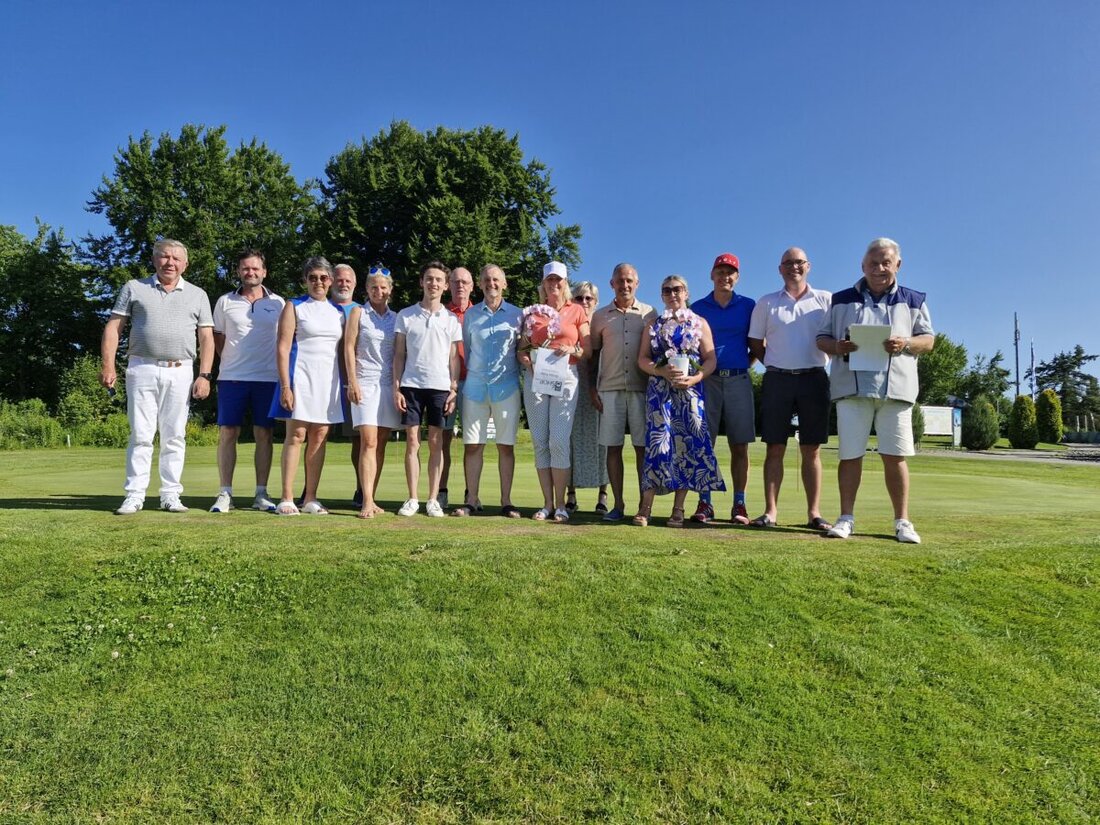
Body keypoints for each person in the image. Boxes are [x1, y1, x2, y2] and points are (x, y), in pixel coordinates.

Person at [816, 238, 935, 543]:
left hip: (896, 390)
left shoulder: (913, 299)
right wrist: (838, 346)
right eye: (873, 263)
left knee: (895, 456)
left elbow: (928, 340)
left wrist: (905, 343)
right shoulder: (841, 299)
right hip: (852, 389)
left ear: (898, 264)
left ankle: (903, 522)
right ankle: (845, 518)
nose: (879, 268)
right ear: (863, 266)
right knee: (850, 455)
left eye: (886, 262)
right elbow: (822, 339)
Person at [101, 239, 214, 514]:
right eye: (164, 257)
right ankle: (135, 495)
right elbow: (113, 329)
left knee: (174, 436)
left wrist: (205, 375)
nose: (170, 263)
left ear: (185, 264)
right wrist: (108, 366)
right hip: (142, 368)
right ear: (154, 260)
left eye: (176, 259)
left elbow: (207, 338)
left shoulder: (198, 294)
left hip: (181, 370)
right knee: (141, 434)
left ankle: (170, 495)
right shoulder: (134, 287)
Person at [746, 247, 833, 530]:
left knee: (812, 449)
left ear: (808, 266)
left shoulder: (826, 300)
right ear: (780, 269)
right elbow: (756, 343)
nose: (793, 267)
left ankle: (814, 514)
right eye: (788, 263)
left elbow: (835, 337)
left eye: (799, 262)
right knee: (774, 447)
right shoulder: (767, 303)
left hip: (814, 378)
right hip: (777, 379)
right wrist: (774, 361)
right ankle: (771, 512)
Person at [634, 275, 724, 526]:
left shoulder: (699, 323)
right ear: (662, 295)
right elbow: (642, 359)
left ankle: (678, 509)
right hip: (659, 393)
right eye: (667, 290)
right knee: (657, 447)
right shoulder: (652, 325)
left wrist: (695, 378)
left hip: (690, 393)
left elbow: (710, 359)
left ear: (686, 292)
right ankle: (645, 507)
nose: (672, 294)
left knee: (686, 448)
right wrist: (660, 371)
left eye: (677, 289)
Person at [209, 249, 285, 513]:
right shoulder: (224, 302)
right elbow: (217, 338)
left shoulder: (278, 303)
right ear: (239, 271)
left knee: (264, 434)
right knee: (228, 432)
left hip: (268, 378)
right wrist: (231, 361)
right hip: (232, 378)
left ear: (264, 272)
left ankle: (261, 494)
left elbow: (285, 340)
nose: (250, 272)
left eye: (255, 268)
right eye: (245, 268)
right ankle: (225, 493)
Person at [271, 257, 345, 515]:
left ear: (331, 281)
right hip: (300, 378)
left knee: (319, 436)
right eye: (313, 277)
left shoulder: (338, 312)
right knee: (296, 435)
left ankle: (311, 497)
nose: (318, 282)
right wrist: (285, 386)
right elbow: (282, 348)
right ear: (305, 280)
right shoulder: (294, 306)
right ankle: (287, 497)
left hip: (328, 382)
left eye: (323, 278)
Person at [519, 261, 590, 523]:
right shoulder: (533, 314)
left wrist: (573, 350)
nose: (554, 284)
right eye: (550, 280)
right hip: (536, 380)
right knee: (540, 441)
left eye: (559, 280)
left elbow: (587, 349)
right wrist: (528, 362)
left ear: (565, 282)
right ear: (544, 284)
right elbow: (522, 350)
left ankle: (561, 505)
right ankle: (547, 504)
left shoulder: (577, 311)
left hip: (566, 378)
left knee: (558, 440)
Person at [452, 264, 524, 518]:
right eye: (486, 280)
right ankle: (471, 499)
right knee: (473, 446)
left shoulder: (518, 315)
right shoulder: (470, 316)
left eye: (496, 280)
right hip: (475, 388)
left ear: (504, 284)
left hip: (507, 388)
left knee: (506, 446)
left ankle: (506, 501)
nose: (491, 283)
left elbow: (521, 352)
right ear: (480, 284)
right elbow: (467, 352)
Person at [690, 253, 756, 525]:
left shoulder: (749, 306)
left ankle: (739, 504)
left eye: (730, 272)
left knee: (739, 445)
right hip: (708, 381)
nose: (725, 277)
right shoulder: (698, 307)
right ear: (712, 275)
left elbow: (756, 344)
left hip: (739, 379)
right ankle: (705, 502)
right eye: (720, 272)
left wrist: (742, 364)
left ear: (737, 277)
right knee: (706, 444)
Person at [393, 261, 462, 517]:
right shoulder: (405, 315)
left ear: (445, 286)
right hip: (411, 386)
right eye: (429, 278)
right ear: (422, 282)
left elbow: (454, 358)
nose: (433, 283)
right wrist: (396, 387)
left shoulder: (451, 319)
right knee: (412, 442)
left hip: (440, 388)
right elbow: (399, 354)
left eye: (438, 280)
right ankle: (412, 498)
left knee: (436, 443)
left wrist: (454, 388)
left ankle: (433, 499)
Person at [587, 263, 656, 521]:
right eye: (620, 281)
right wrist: (592, 388)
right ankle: (617, 505)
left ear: (636, 283)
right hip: (610, 390)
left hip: (642, 390)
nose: (624, 285)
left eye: (629, 281)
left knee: (642, 449)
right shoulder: (601, 316)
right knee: (613, 448)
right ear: (611, 284)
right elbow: (594, 356)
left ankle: (643, 506)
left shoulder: (650, 313)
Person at [344, 264, 399, 519]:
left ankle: (372, 497)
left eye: (383, 287)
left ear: (390, 290)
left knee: (381, 445)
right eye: (373, 287)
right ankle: (365, 500)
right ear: (366, 289)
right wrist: (352, 382)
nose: (379, 291)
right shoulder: (358, 313)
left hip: (388, 385)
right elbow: (348, 347)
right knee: (369, 441)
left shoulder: (396, 317)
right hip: (364, 383)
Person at [567, 281, 609, 514]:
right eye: (579, 298)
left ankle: (603, 495)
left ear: (596, 301)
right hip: (572, 385)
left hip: (601, 387)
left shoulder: (602, 323)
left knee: (603, 441)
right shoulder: (568, 322)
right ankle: (570, 494)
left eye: (588, 298)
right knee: (570, 440)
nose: (584, 302)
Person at [439, 266, 474, 510]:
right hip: (445, 384)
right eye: (455, 282)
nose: (460, 286)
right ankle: (440, 491)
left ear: (473, 286)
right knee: (443, 439)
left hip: (473, 384)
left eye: (465, 282)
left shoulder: (480, 313)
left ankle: (471, 494)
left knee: (472, 442)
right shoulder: (441, 313)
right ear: (448, 285)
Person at [332, 263, 362, 506]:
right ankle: (308, 490)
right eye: (339, 279)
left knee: (358, 439)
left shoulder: (362, 311)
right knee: (312, 435)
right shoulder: (320, 308)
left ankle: (362, 488)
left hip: (352, 385)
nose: (343, 283)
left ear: (355, 283)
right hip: (322, 382)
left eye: (348, 280)